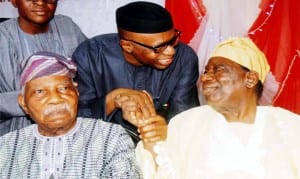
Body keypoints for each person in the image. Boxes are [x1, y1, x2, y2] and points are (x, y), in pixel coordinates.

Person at [136, 37, 300, 179]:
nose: (205, 77)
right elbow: (160, 172)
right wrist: (153, 145)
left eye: (218, 69)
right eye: (206, 71)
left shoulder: (289, 127)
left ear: (250, 79)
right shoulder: (184, 124)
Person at [72, 1, 200, 143]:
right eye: (159, 47)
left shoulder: (184, 58)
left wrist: (162, 127)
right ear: (127, 46)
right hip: (102, 143)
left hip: (161, 145)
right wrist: (112, 100)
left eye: (173, 40)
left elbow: (186, 118)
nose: (171, 51)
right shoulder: (90, 55)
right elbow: (75, 120)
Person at [0, 51, 142, 178]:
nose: (55, 99)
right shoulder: (5, 145)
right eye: (40, 92)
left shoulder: (111, 136)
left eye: (63, 88)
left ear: (76, 93)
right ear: (23, 103)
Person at [0, 0, 86, 136]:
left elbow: (89, 75)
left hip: (72, 122)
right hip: (15, 132)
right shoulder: (3, 37)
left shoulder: (66, 26)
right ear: (14, 2)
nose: (41, 2)